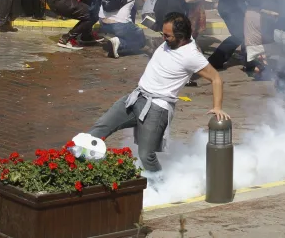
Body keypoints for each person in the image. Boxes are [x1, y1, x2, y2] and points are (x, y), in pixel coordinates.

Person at [89, 12, 230, 174]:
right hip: (136, 97)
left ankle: (159, 186)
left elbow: (216, 78)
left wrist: (217, 107)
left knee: (146, 155)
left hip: (157, 108)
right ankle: (74, 166)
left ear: (181, 37)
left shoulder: (192, 55)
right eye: (163, 33)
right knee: (98, 130)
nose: (163, 38)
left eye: (167, 36)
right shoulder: (171, 42)